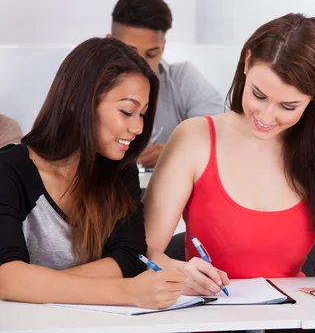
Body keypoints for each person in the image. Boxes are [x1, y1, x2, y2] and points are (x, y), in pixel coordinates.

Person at [143, 13, 315, 296]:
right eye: (258, 95)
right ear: (247, 62)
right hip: (206, 320)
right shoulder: (195, 139)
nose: (267, 116)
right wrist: (179, 272)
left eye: (288, 106)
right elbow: (143, 253)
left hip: (290, 323)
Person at [0, 37, 185, 309]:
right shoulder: (9, 170)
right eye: (127, 111)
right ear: (79, 101)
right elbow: (8, 278)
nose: (137, 128)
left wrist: (36, 286)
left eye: (142, 114)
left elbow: (128, 257)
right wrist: (127, 293)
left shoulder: (120, 172)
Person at [110, 0, 224, 168]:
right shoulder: (86, 84)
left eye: (152, 53)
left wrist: (177, 151)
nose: (142, 64)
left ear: (163, 47)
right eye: (131, 52)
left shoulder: (182, 78)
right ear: (108, 43)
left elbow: (223, 132)